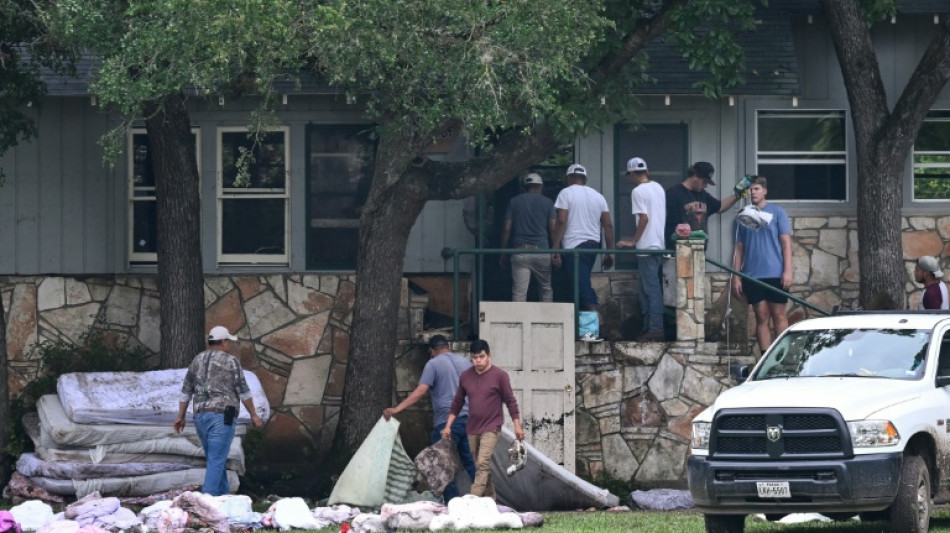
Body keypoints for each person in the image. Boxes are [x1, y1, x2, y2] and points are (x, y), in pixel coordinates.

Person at [382, 334, 476, 501]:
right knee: (471, 463)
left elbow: (421, 391)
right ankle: (488, 499)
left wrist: (397, 409)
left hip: (446, 423)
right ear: (448, 347)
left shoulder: (433, 364)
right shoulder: (465, 363)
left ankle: (453, 504)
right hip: (467, 421)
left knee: (442, 466)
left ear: (431, 351)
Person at [174, 326, 264, 496]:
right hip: (225, 414)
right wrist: (253, 414)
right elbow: (243, 391)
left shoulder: (197, 360)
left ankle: (224, 499)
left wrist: (180, 416)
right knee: (216, 460)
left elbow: (186, 391)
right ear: (223, 342)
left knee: (216, 459)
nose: (229, 344)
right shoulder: (231, 361)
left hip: (200, 415)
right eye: (228, 341)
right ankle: (206, 502)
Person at [442, 339, 524, 500]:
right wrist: (448, 426)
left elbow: (510, 401)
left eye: (481, 356)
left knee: (482, 462)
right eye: (475, 357)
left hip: (492, 426)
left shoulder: (500, 376)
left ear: (489, 356)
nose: (478, 360)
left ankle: (473, 499)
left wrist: (517, 426)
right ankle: (491, 499)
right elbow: (457, 402)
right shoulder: (466, 376)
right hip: (472, 428)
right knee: (480, 465)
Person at [730, 177, 792, 353]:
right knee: (761, 316)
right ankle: (766, 358)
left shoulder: (778, 212)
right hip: (752, 274)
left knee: (779, 315)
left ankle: (782, 356)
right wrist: (736, 276)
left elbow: (786, 244)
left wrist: (787, 271)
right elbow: (739, 248)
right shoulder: (742, 216)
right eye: (750, 190)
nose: (753, 192)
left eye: (756, 189)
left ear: (764, 191)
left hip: (775, 272)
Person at [552, 163, 615, 314]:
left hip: (574, 248)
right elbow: (608, 225)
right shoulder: (598, 196)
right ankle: (585, 326)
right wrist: (609, 252)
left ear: (568, 178)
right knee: (580, 283)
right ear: (585, 179)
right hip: (593, 246)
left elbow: (561, 220)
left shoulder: (565, 193)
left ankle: (596, 321)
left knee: (581, 286)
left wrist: (555, 248)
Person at [617, 157, 666, 342]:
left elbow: (644, 218)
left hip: (646, 245)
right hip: (658, 245)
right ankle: (647, 326)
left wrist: (633, 241)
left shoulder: (638, 191)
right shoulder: (658, 188)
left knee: (651, 288)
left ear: (632, 173)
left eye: (629, 175)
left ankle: (656, 327)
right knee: (645, 287)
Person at [499, 173, 556, 302]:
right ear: (541, 186)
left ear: (525, 187)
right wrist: (556, 250)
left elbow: (506, 228)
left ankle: (519, 321)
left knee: (519, 291)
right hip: (542, 251)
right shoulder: (548, 202)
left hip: (520, 252)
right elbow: (553, 228)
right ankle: (548, 320)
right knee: (545, 288)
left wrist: (503, 252)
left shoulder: (514, 201)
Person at [664, 161, 747, 250]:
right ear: (695, 176)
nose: (706, 186)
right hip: (678, 250)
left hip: (699, 251)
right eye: (704, 182)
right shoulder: (673, 194)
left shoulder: (703, 195)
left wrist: (738, 195)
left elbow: (720, 207)